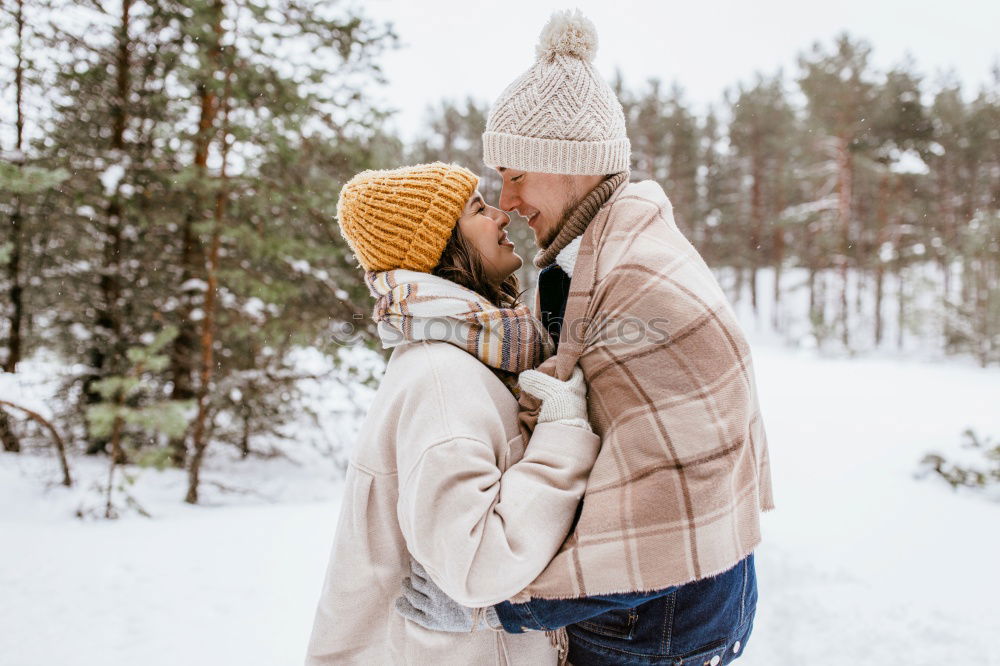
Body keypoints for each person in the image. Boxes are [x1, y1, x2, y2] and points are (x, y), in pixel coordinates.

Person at [395, 11, 774, 666]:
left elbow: (672, 495)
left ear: (563, 163)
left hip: (657, 622)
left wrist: (506, 603)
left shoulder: (639, 278)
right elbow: (558, 358)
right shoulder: (585, 259)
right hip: (659, 608)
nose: (507, 201)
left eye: (516, 175)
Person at [303, 162, 603, 665]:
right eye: (477, 210)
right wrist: (564, 429)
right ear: (440, 247)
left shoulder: (474, 357)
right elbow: (478, 568)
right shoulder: (442, 379)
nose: (502, 214)